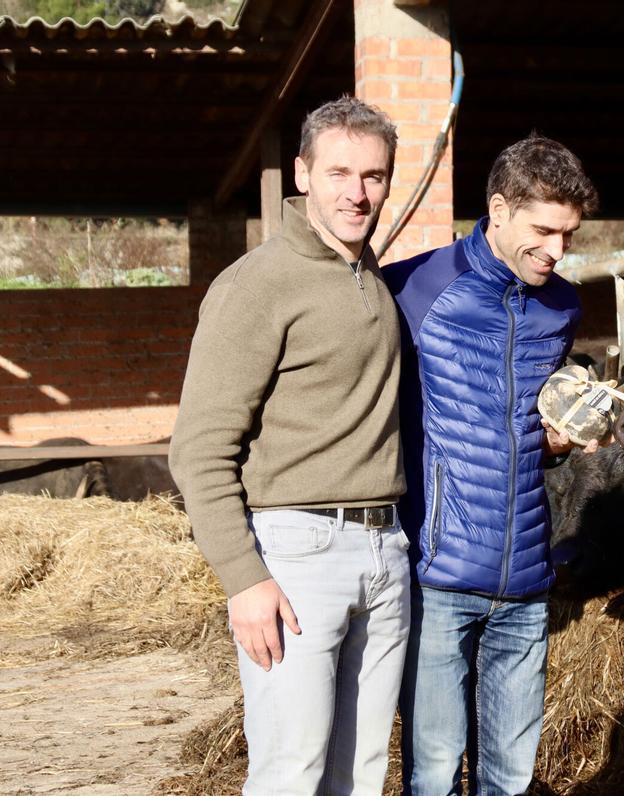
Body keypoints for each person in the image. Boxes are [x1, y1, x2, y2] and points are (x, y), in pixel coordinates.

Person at [169, 96, 410, 795]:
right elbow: (199, 449)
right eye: (339, 173)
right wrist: (243, 579)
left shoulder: (371, 278)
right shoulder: (257, 285)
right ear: (302, 174)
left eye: (373, 175)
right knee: (290, 772)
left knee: (362, 773)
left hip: (385, 546)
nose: (357, 193)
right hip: (297, 554)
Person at [385, 133, 599, 796]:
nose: (557, 250)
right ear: (499, 211)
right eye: (544, 231)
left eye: (568, 235)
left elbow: (529, 422)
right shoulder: (414, 288)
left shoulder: (562, 306)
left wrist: (560, 438)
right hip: (439, 573)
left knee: (509, 777)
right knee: (434, 775)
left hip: (527, 576)